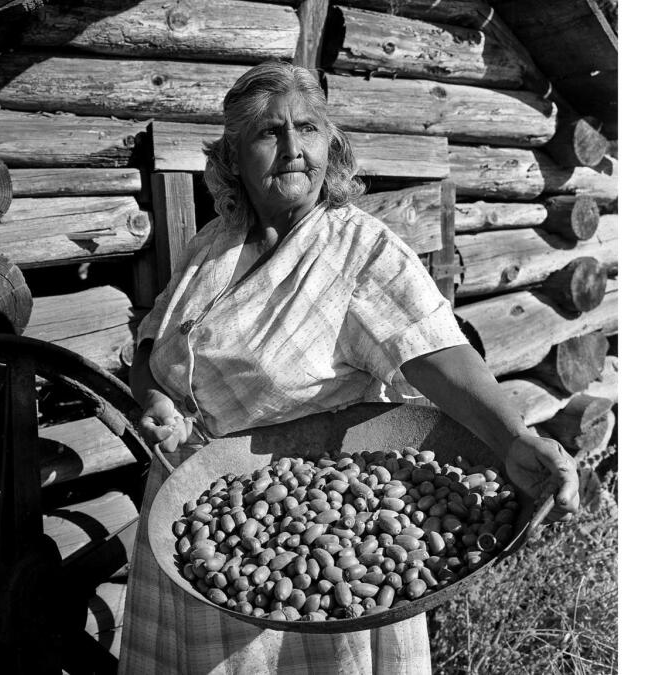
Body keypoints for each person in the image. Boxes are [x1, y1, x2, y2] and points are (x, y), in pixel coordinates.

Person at [119, 61, 579, 674]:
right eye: (268, 134)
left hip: (312, 541)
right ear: (233, 155)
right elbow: (154, 346)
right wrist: (158, 403)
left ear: (329, 144)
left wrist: (514, 437)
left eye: (306, 130)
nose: (291, 150)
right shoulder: (215, 243)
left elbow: (435, 351)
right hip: (199, 524)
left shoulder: (358, 247)